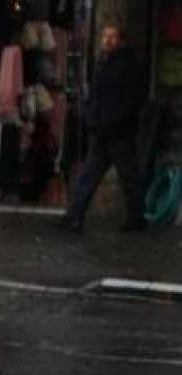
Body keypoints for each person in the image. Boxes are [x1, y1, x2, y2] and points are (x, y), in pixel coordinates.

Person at [60, 26, 149, 232]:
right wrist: (92, 119)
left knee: (128, 176)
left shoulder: (129, 66)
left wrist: (111, 121)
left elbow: (132, 100)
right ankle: (74, 216)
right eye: (105, 37)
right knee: (88, 176)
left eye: (112, 37)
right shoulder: (104, 64)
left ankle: (135, 218)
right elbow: (97, 97)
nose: (107, 41)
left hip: (119, 132)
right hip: (103, 131)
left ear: (121, 40)